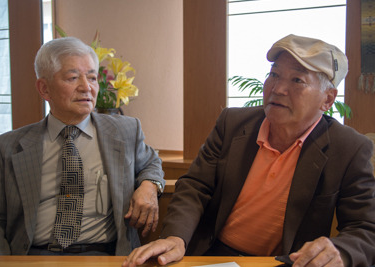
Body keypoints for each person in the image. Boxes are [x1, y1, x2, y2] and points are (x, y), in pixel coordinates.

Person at [123, 34, 375, 267]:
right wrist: (176, 236)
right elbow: (196, 186)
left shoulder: (349, 148)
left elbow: (366, 228)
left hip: (284, 262)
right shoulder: (232, 124)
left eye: (297, 80)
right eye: (274, 74)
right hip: (214, 254)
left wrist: (339, 251)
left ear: (328, 100)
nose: (277, 89)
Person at [0, 37, 165, 256]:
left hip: (104, 256)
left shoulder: (125, 131)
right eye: (73, 78)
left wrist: (150, 186)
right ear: (44, 89)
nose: (87, 87)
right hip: (34, 256)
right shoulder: (9, 146)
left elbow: (152, 161)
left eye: (92, 78)